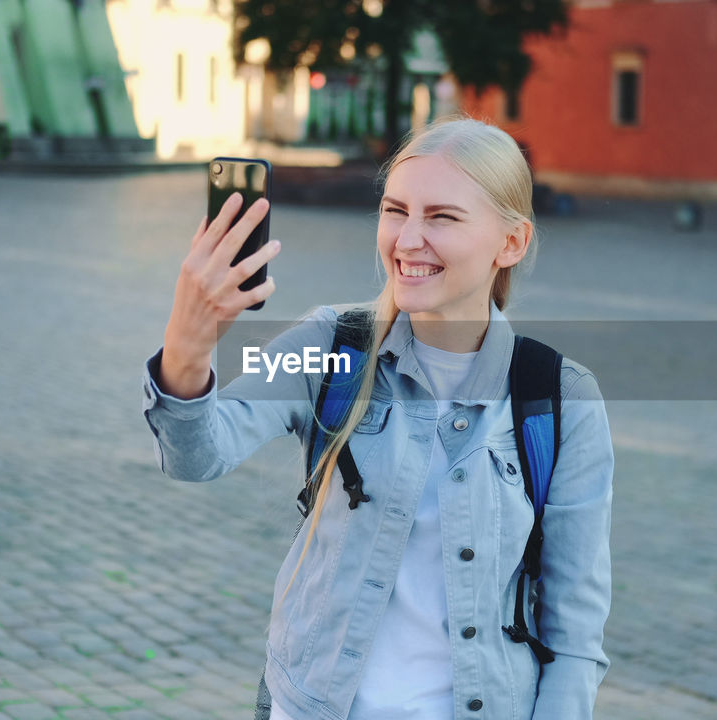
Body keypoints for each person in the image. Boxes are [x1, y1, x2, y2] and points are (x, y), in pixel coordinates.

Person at [141, 118, 613, 719]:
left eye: (442, 217)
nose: (408, 239)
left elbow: (574, 636)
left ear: (511, 243)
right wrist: (188, 342)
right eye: (396, 210)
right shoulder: (330, 344)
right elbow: (196, 456)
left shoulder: (560, 398)